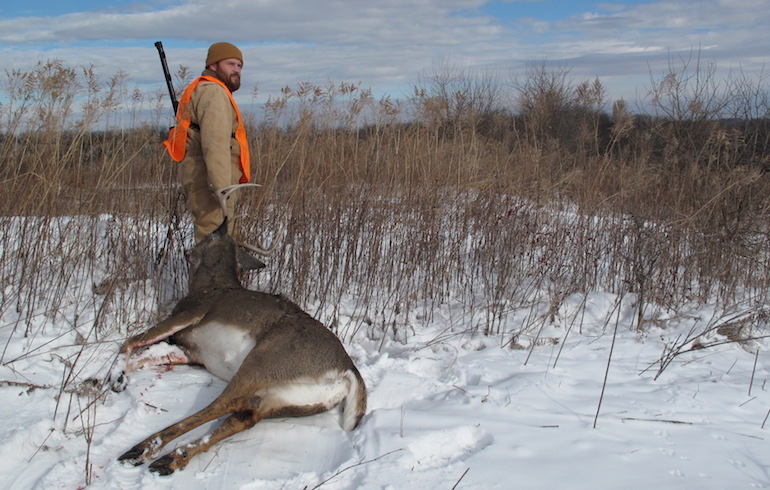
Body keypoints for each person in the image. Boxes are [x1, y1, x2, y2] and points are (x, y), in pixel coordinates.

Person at [163, 42, 250, 243]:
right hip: (214, 183)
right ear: (213, 65)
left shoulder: (206, 89)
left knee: (218, 242)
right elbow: (216, 142)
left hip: (207, 178)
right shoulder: (213, 92)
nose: (236, 70)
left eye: (239, 66)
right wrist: (221, 187)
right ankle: (211, 276)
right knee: (215, 245)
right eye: (230, 64)